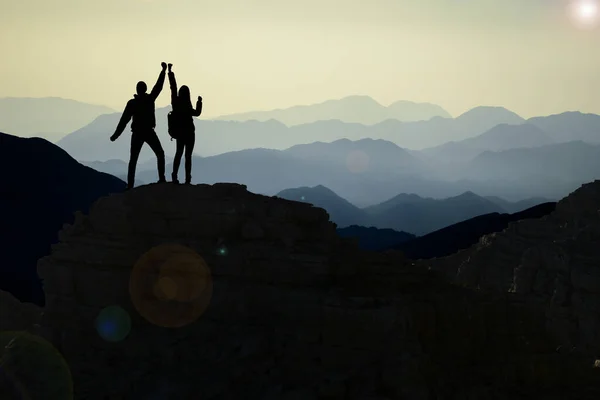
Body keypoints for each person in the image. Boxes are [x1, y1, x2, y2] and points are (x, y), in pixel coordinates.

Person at [110, 62, 168, 189]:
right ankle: (162, 178)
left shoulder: (133, 103)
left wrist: (116, 135)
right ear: (145, 89)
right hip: (148, 131)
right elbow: (158, 87)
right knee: (160, 153)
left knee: (133, 160)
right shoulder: (149, 99)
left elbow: (124, 120)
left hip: (137, 133)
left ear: (137, 90)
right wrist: (163, 71)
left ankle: (130, 185)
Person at [167, 63, 202, 184]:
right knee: (188, 156)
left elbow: (173, 87)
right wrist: (199, 102)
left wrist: (170, 72)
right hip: (190, 133)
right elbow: (197, 113)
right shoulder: (187, 105)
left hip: (180, 133)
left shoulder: (176, 103)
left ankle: (174, 176)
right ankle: (188, 179)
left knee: (179, 153)